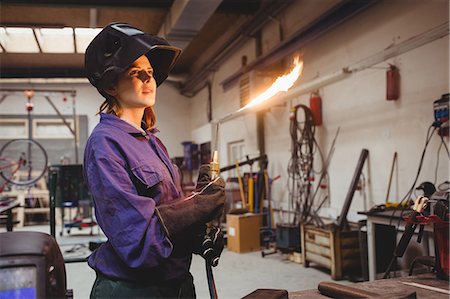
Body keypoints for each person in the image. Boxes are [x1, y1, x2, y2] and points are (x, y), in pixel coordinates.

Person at [83, 23, 225, 298]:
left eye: (150, 72)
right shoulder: (105, 144)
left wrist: (198, 231)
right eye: (137, 73)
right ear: (111, 85)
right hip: (135, 290)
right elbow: (138, 241)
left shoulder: (151, 141)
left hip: (178, 284)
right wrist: (197, 206)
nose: (148, 79)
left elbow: (167, 210)